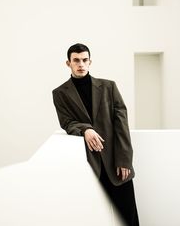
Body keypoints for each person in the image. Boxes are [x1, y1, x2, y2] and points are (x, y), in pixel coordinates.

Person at [52, 43, 139, 226]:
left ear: (90, 61)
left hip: (117, 165)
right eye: (76, 60)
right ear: (68, 63)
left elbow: (121, 124)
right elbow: (67, 122)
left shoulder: (109, 87)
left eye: (84, 60)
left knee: (128, 218)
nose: (81, 64)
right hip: (87, 167)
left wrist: (124, 160)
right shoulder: (60, 93)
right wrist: (86, 129)